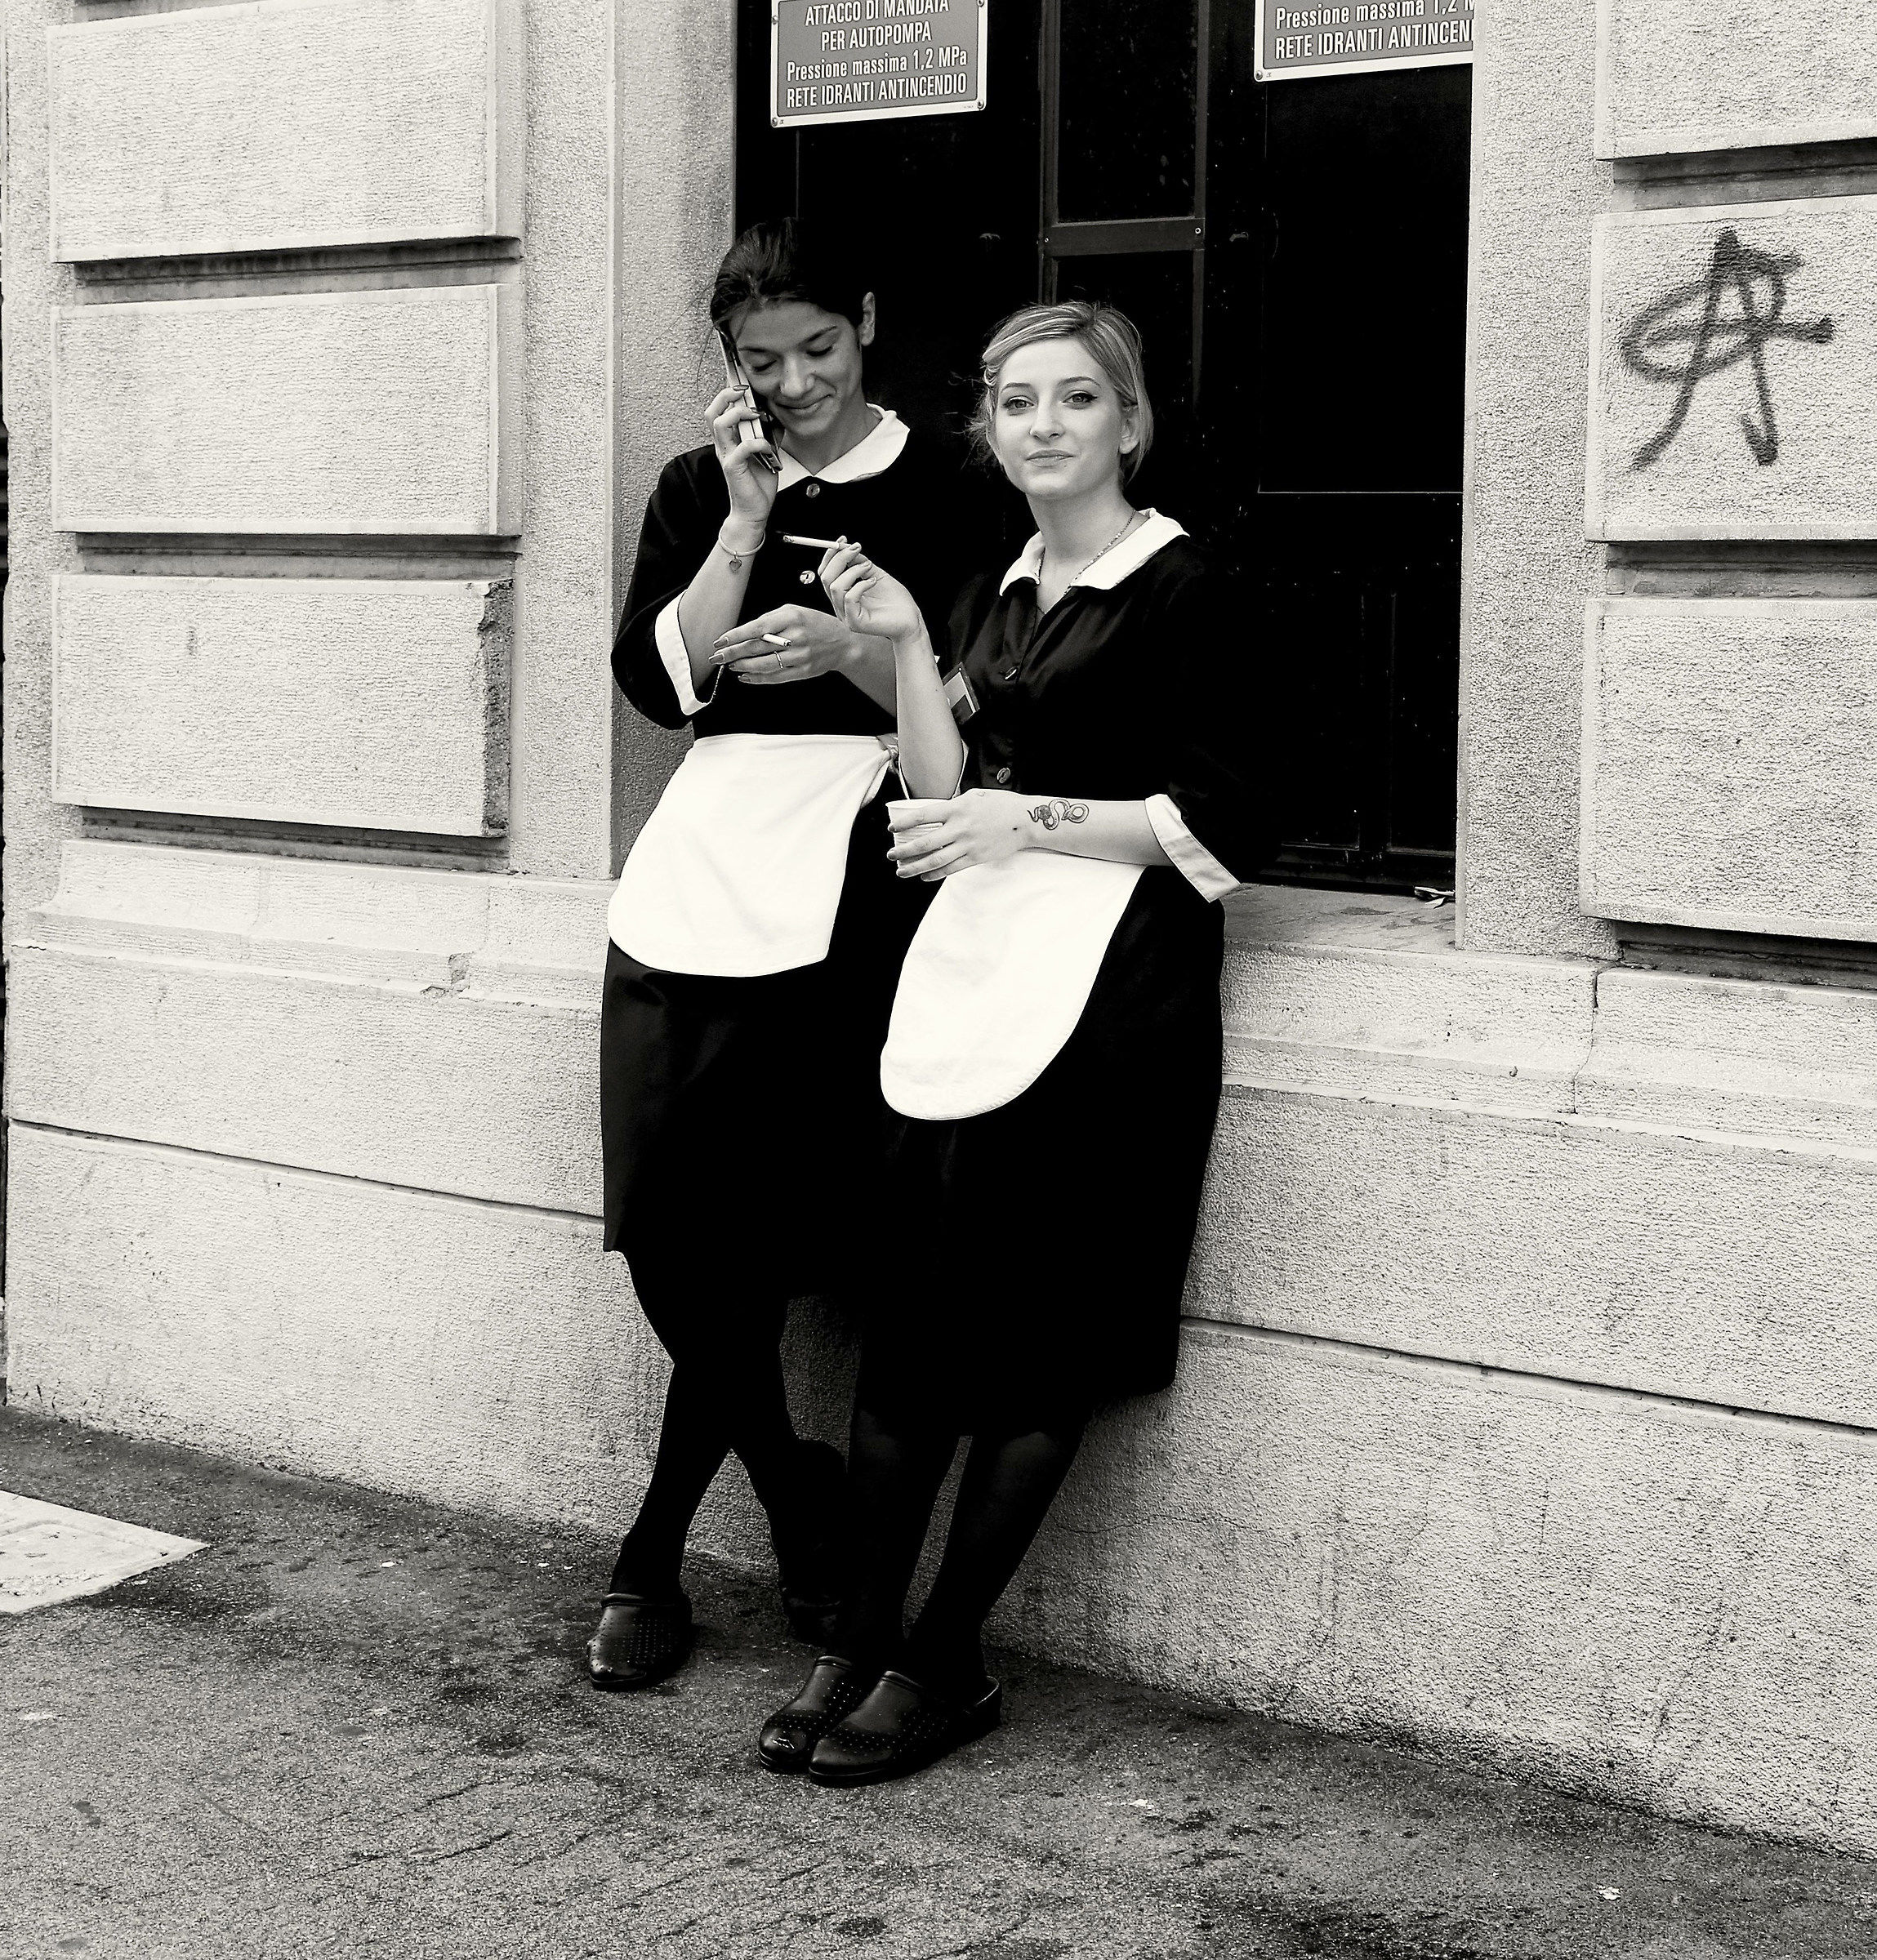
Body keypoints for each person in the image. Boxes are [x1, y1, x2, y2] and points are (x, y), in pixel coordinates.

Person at [756, 301, 1267, 1783]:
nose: (1041, 424)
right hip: (978, 980)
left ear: (1127, 421)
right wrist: (907, 645)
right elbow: (936, 787)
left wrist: (1019, 816)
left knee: (1040, 1346)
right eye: (1012, 399)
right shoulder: (1000, 585)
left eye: (1072, 399)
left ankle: (943, 1660)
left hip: (1118, 1002)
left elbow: (1229, 819)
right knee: (911, 1333)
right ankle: (858, 1638)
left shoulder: (1183, 586)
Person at [592, 219, 990, 1691]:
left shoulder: (952, 478)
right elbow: (660, 679)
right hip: (697, 865)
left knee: (756, 1243)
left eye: (817, 352)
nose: (795, 383)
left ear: (869, 323)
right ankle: (784, 1488)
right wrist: (746, 528)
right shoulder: (704, 482)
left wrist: (851, 660)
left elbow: (987, 685)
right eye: (762, 363)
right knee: (670, 1229)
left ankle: (654, 1552)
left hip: (855, 871)